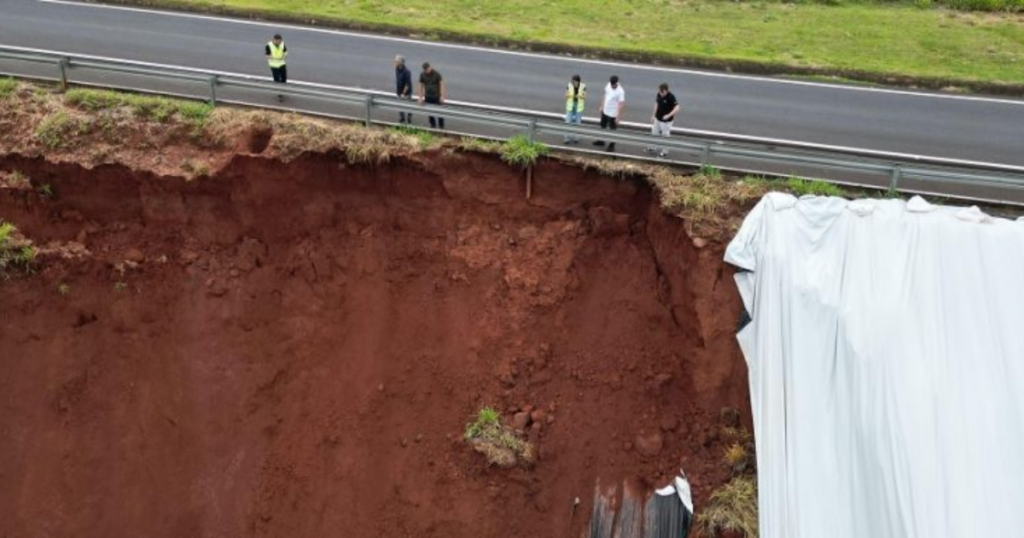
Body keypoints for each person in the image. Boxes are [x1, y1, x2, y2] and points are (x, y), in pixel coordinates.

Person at [646, 82, 680, 158]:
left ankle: (665, 151)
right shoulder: (659, 94)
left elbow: (677, 107)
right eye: (660, 92)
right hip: (658, 118)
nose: (661, 94)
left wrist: (668, 115)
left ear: (667, 90)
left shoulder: (671, 97)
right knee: (654, 133)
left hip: (666, 122)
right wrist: (653, 115)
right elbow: (656, 104)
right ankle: (653, 148)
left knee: (665, 136)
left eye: (663, 92)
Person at [593, 75, 625, 152]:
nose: (612, 86)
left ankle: (612, 145)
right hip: (605, 111)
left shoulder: (620, 92)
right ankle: (601, 141)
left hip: (613, 114)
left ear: (617, 83)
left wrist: (618, 117)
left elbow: (621, 104)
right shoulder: (608, 85)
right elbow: (605, 95)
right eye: (611, 84)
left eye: (613, 85)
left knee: (612, 130)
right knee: (602, 126)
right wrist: (602, 105)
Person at [418, 62, 446, 129]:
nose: (427, 71)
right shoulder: (422, 75)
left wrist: (442, 96)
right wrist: (420, 97)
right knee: (430, 112)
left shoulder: (436, 74)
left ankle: (441, 126)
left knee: (440, 112)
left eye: (427, 69)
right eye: (425, 70)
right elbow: (420, 86)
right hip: (428, 96)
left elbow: (442, 85)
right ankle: (433, 125)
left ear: (430, 67)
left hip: (436, 96)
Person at [564, 74, 586, 145]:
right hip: (570, 105)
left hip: (578, 106)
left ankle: (576, 138)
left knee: (577, 122)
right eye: (572, 81)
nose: (573, 82)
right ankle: (566, 138)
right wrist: (571, 95)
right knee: (568, 122)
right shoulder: (569, 85)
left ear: (578, 81)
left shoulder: (583, 86)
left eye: (574, 81)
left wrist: (579, 96)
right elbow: (566, 95)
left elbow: (584, 96)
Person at [265, 34, 288, 102]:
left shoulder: (282, 44)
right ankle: (280, 94)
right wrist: (275, 58)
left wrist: (284, 57)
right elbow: (267, 55)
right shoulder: (269, 45)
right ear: (274, 40)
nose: (279, 42)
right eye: (278, 41)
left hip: (282, 63)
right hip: (274, 65)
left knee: (284, 77)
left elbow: (285, 52)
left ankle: (283, 89)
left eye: (280, 41)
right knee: (277, 79)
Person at [394, 55, 413, 124]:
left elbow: (407, 85)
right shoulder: (397, 69)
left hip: (406, 92)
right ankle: (402, 118)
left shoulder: (406, 72)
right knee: (400, 105)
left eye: (396, 61)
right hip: (399, 91)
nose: (395, 62)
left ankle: (409, 118)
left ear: (401, 62)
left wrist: (403, 93)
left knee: (408, 105)